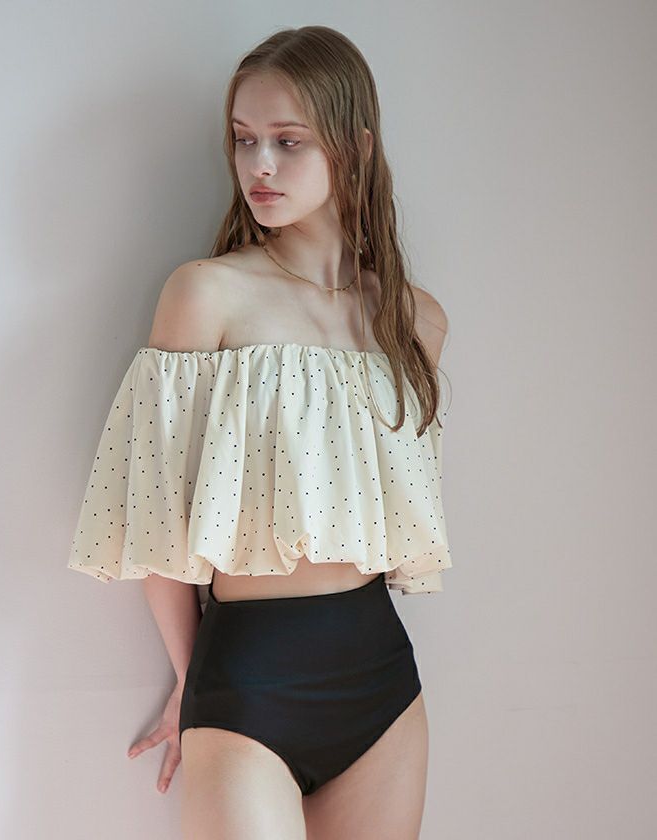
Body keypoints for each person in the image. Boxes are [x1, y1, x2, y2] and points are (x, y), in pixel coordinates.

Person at [67, 24, 452, 840]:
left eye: (287, 141)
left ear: (355, 147)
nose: (259, 166)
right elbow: (155, 525)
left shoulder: (413, 322)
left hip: (382, 683)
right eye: (244, 140)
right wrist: (190, 677)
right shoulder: (205, 295)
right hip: (247, 680)